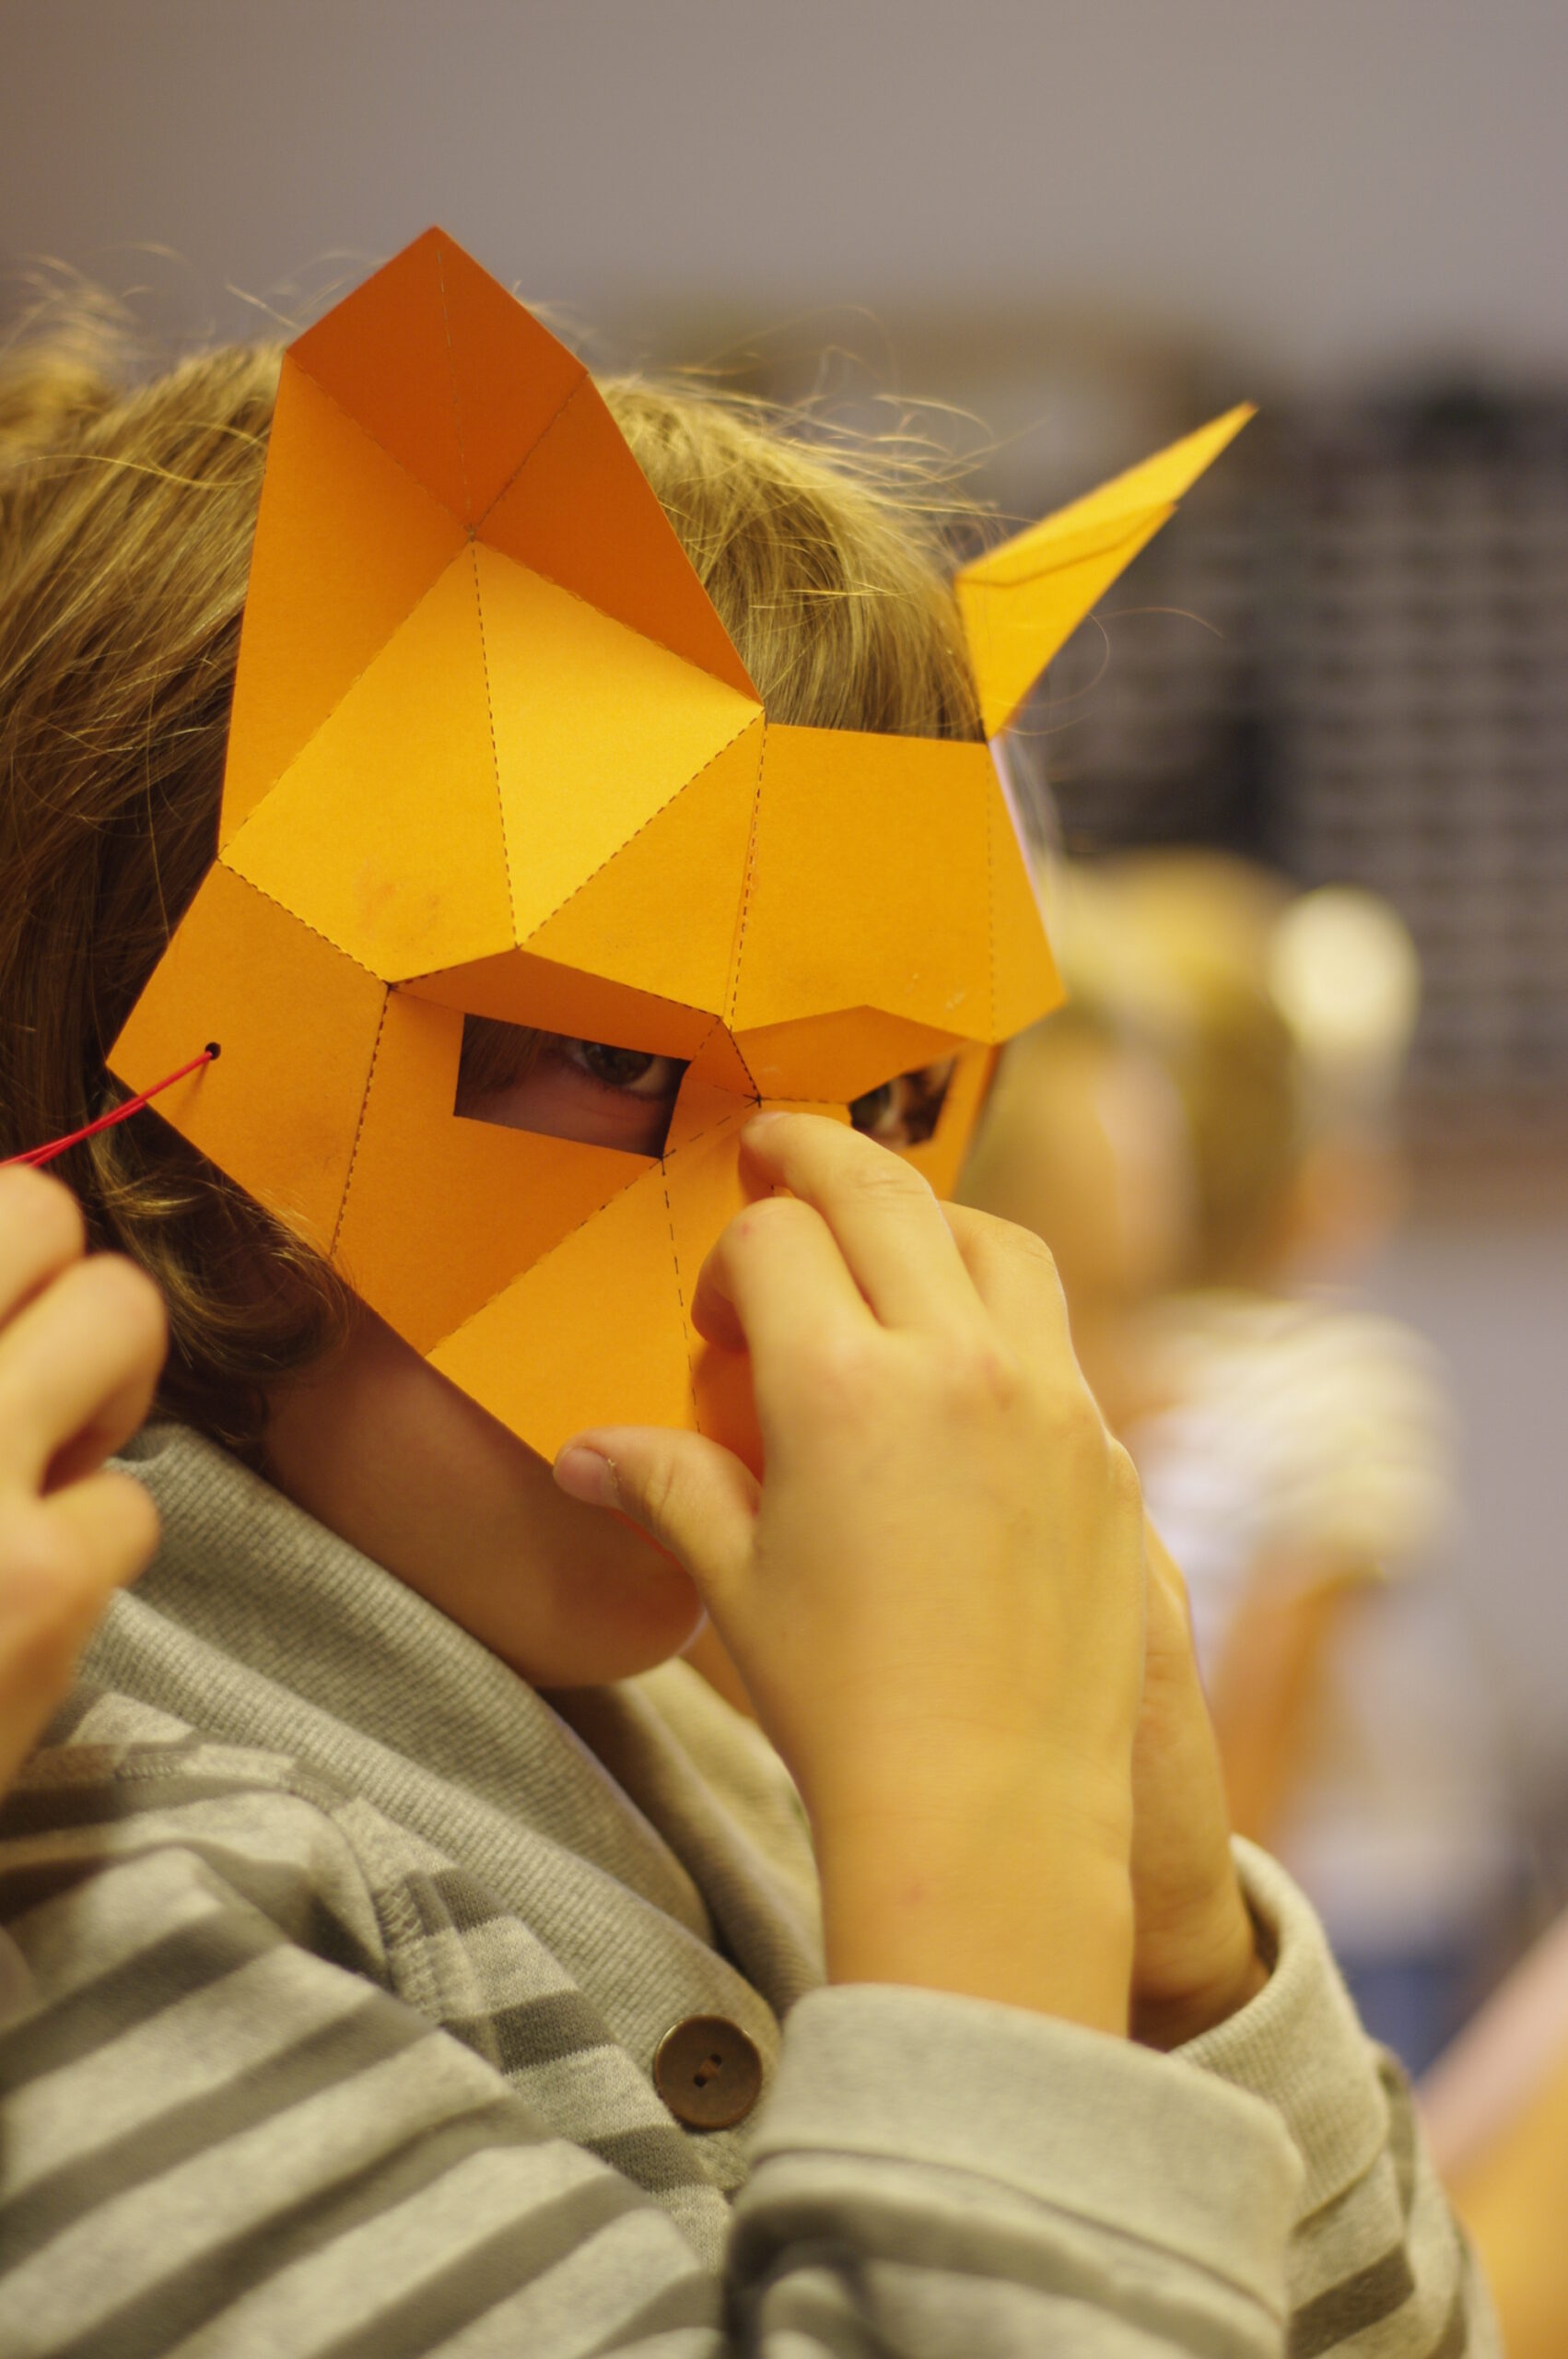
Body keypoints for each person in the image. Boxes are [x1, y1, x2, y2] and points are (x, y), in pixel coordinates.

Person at [0, 247, 1491, 2356]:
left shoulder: (721, 1738)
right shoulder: (82, 1838)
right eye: (597, 1063)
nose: (780, 1257)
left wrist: (1167, 1945)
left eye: (889, 1095)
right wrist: (974, 1883)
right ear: (141, 1068)